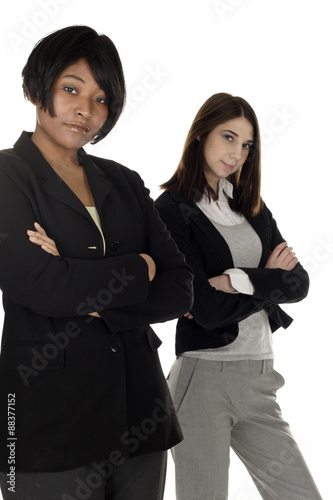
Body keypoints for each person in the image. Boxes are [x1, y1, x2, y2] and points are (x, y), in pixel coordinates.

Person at [0, 26, 193, 500]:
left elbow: (181, 287)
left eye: (102, 98)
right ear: (35, 86)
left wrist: (86, 289)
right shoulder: (6, 176)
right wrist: (140, 267)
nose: (86, 109)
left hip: (140, 414)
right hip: (46, 424)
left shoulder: (124, 182)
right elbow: (40, 284)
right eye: (71, 88)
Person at [155, 93, 323, 500]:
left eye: (247, 145)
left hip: (260, 378)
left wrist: (237, 280)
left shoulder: (250, 205)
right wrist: (268, 279)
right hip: (204, 379)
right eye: (228, 137)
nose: (237, 153)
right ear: (201, 135)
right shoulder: (172, 210)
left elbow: (299, 284)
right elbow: (207, 309)